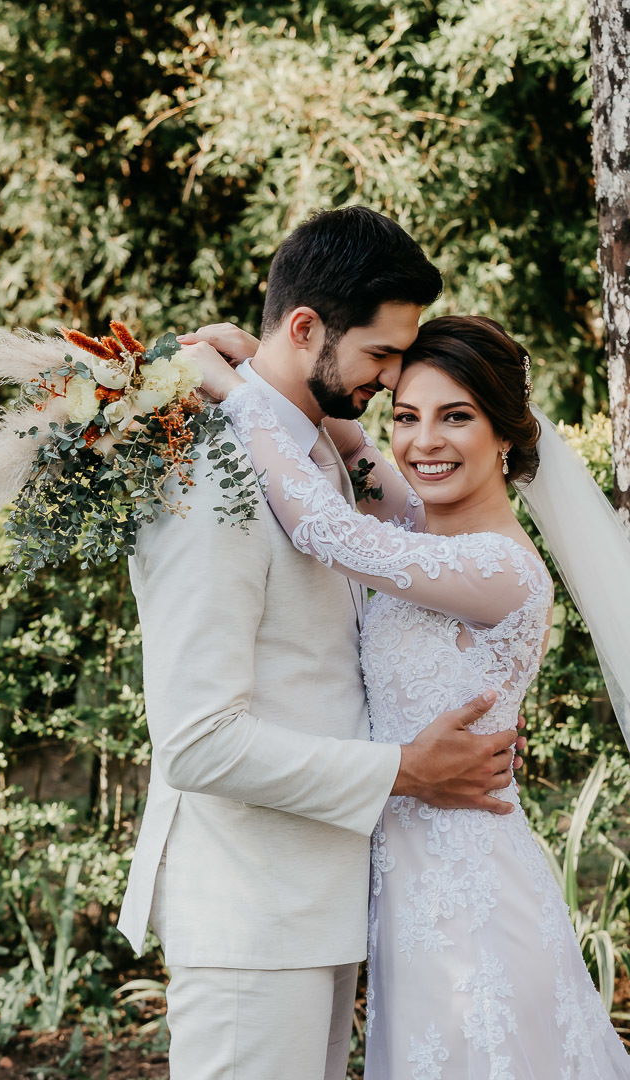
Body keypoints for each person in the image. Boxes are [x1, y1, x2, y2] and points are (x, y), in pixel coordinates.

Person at [117, 208, 525, 1080]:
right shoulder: (215, 475)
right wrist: (405, 771)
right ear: (307, 328)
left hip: (325, 903)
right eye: (381, 356)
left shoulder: (317, 455)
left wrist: (248, 381)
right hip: (252, 912)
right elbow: (195, 740)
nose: (391, 378)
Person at [189, 312, 630, 1077]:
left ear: (504, 435)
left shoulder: (501, 570)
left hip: (474, 911)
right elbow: (350, 445)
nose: (424, 441)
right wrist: (265, 363)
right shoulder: (423, 533)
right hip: (410, 905)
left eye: (455, 417)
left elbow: (327, 529)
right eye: (407, 415)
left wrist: (235, 394)